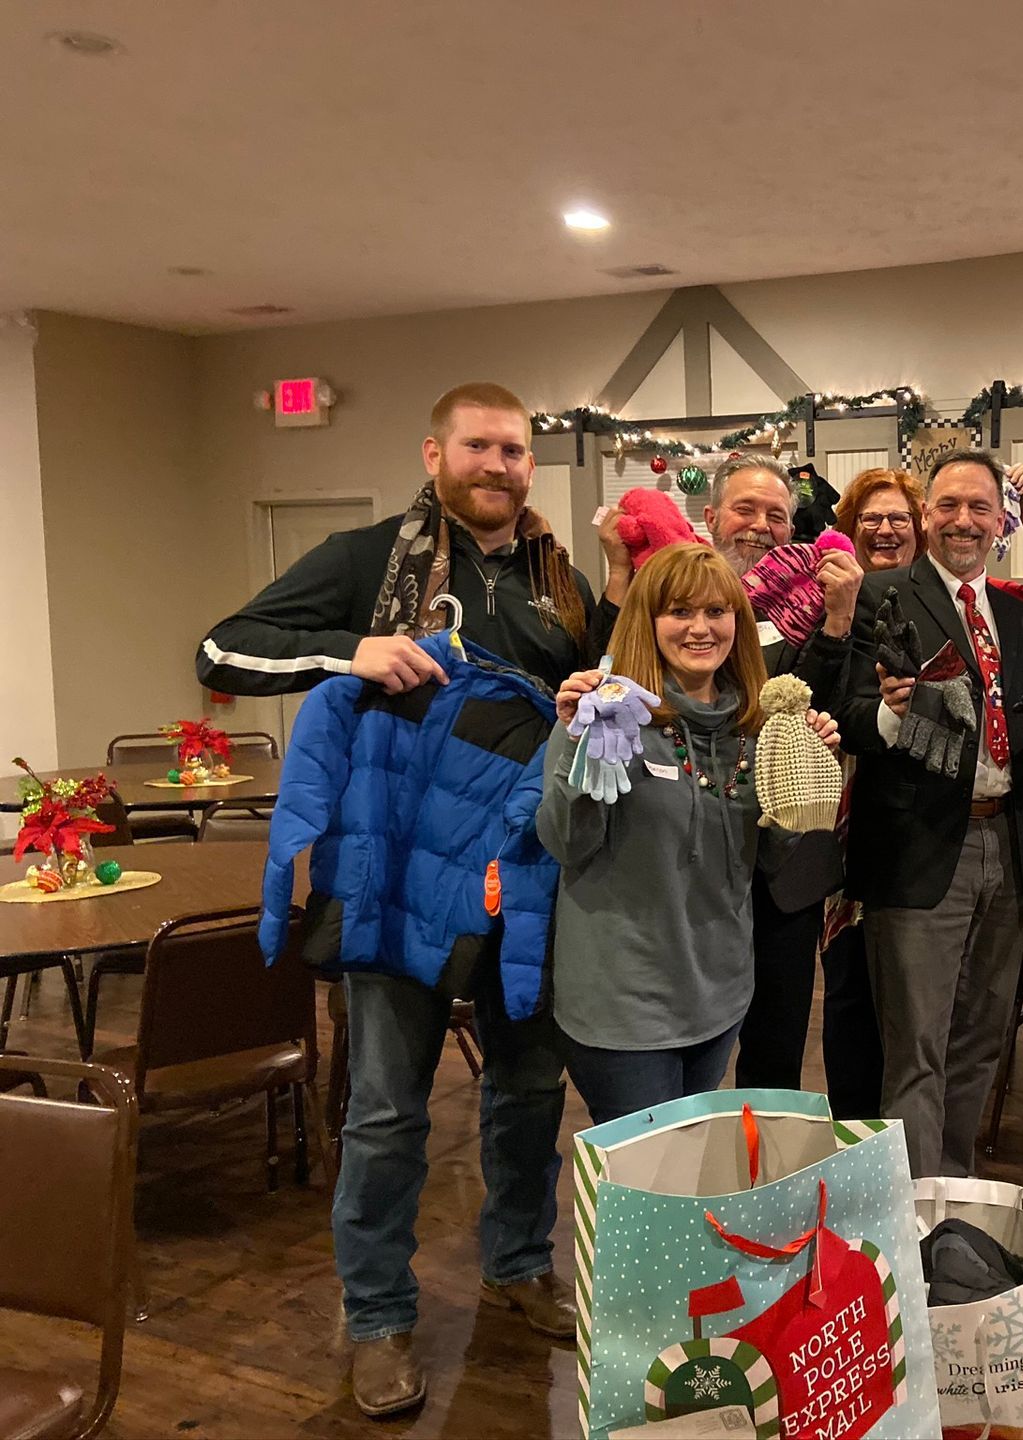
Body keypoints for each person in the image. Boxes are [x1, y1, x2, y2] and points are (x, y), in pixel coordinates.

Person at [194, 382, 601, 1418]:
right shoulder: (370, 560)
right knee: (384, 1112)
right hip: (393, 882)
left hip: (517, 879)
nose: (498, 465)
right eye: (478, 446)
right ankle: (376, 1317)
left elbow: (607, 697)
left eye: (515, 450)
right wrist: (349, 651)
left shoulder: (560, 584)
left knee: (526, 1093)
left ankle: (517, 1268)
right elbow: (220, 649)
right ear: (435, 453)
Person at [841, 449, 1023, 1177]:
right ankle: (915, 1216)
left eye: (979, 507)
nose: (963, 520)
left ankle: (953, 1190)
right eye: (948, 505)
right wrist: (890, 716)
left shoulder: (1016, 618)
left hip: (1008, 844)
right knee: (917, 1046)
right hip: (918, 852)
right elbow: (850, 713)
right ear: (927, 516)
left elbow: (1022, 738)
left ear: (999, 522)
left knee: (981, 1038)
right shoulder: (882, 593)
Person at [538, 543, 838, 1124]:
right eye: (679, 612)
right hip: (623, 1008)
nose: (700, 628)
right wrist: (580, 749)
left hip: (719, 998)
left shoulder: (757, 728)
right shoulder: (607, 714)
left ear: (738, 623)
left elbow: (772, 862)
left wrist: (805, 781)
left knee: (686, 1179)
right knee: (650, 1193)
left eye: (717, 612)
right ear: (648, 622)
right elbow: (566, 843)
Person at [686, 455, 862, 1094]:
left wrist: (837, 623)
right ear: (710, 518)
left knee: (776, 1048)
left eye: (776, 515)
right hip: (693, 860)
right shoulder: (677, 601)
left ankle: (767, 1185)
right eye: (745, 509)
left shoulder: (819, 600)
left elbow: (825, 707)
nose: (760, 526)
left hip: (785, 869)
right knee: (687, 1046)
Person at [833, 462, 1023, 622]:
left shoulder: (961, 591)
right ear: (849, 529)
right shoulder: (828, 597)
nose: (885, 530)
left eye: (899, 519)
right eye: (871, 519)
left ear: (921, 525)